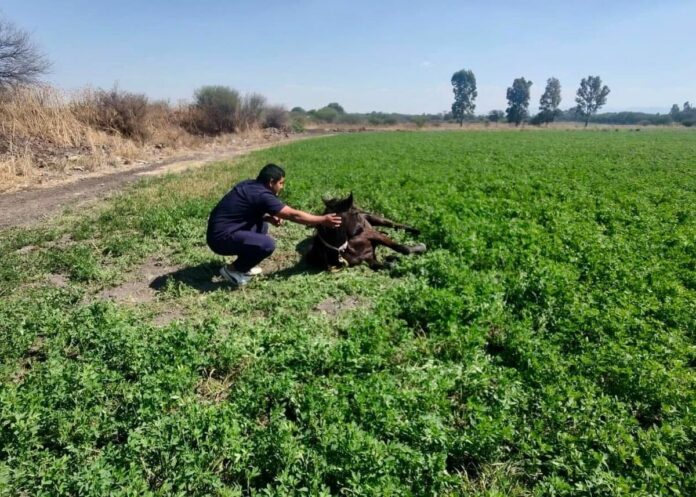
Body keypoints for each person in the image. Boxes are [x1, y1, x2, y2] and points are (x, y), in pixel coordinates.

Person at [206, 163, 342, 286]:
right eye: (281, 183)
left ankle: (245, 264)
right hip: (220, 239)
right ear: (271, 182)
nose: (282, 187)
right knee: (266, 244)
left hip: (220, 231)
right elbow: (293, 215)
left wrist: (268, 218)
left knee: (262, 226)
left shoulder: (249, 185)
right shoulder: (262, 195)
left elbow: (244, 211)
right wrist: (322, 220)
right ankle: (232, 270)